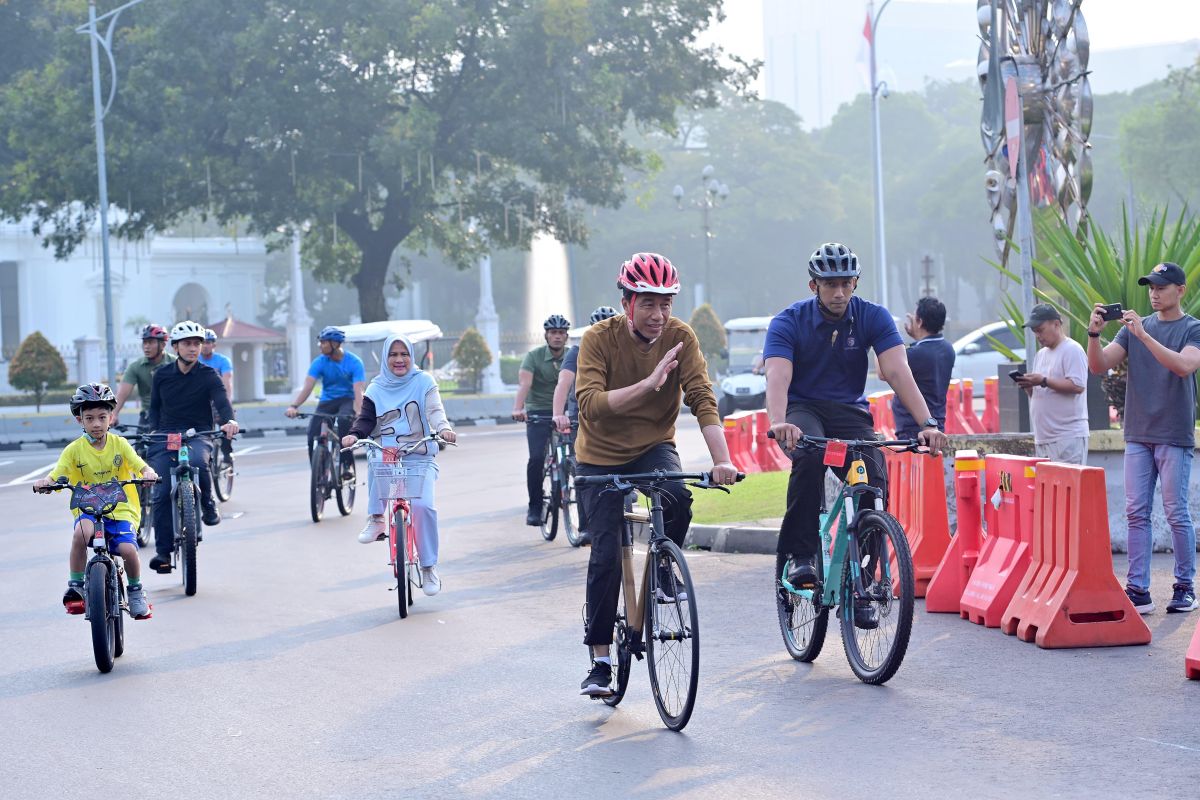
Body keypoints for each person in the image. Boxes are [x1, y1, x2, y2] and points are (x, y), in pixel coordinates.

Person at [574, 253, 738, 697]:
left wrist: (722, 460)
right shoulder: (598, 339)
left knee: (678, 496)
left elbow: (702, 396)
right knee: (606, 554)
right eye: (647, 303)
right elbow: (590, 404)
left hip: (652, 448)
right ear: (626, 303)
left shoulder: (680, 337)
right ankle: (601, 661)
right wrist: (649, 385)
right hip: (599, 456)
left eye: (665, 303)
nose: (658, 314)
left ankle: (664, 567)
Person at [765, 243, 948, 629]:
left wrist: (928, 424)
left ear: (855, 283)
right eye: (830, 284)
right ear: (814, 285)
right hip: (803, 410)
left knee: (874, 478)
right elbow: (778, 375)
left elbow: (897, 371)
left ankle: (863, 582)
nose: (839, 292)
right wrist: (779, 421)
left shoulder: (872, 316)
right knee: (810, 455)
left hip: (849, 413)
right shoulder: (788, 321)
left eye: (846, 283)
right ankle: (801, 555)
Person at [1087, 262, 1200, 614]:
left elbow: (1184, 366)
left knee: (1176, 512)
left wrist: (1144, 337)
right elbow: (1099, 365)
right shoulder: (1134, 329)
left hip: (1173, 434)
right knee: (1136, 512)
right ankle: (1138, 589)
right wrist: (1093, 335)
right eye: (1151, 287)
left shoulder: (1192, 328)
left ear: (1180, 290)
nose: (1154, 293)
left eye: (1161, 287)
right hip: (1137, 433)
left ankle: (1185, 586)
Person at [342, 333, 457, 595]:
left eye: (404, 354)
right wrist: (355, 435)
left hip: (420, 456)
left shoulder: (424, 381)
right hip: (390, 454)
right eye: (393, 354)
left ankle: (428, 567)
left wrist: (444, 429)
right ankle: (376, 519)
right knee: (375, 457)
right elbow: (366, 419)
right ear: (385, 358)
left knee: (423, 507)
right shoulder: (376, 388)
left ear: (411, 356)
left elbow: (434, 411)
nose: (399, 359)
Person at [35, 384, 159, 619]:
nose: (96, 424)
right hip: (88, 507)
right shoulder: (73, 450)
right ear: (79, 420)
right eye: (89, 418)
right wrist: (46, 482)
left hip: (120, 508)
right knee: (80, 534)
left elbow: (139, 464)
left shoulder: (120, 444)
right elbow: (58, 473)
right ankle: (76, 586)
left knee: (128, 550)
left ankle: (135, 592)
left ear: (111, 418)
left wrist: (148, 473)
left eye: (102, 417)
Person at [145, 321, 240, 573]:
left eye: (197, 343)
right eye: (187, 344)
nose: (193, 348)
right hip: (167, 434)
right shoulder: (162, 375)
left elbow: (222, 402)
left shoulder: (209, 375)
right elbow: (154, 408)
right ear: (175, 347)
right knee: (161, 491)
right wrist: (152, 431)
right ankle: (163, 552)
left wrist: (229, 421)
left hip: (199, 432)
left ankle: (207, 503)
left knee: (198, 461)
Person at [552, 306, 619, 544]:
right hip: (582, 416)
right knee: (584, 469)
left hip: (614, 415)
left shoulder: (624, 350)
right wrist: (558, 414)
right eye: (600, 328)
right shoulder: (578, 351)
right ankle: (586, 527)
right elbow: (564, 383)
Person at [513, 314, 571, 526]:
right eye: (553, 332)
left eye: (561, 333)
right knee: (536, 459)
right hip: (539, 411)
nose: (557, 336)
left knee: (579, 457)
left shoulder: (573, 355)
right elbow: (525, 384)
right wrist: (518, 408)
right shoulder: (534, 356)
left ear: (566, 336)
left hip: (565, 412)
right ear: (546, 335)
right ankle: (535, 507)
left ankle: (571, 492)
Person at [285, 326, 366, 478]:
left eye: (324, 343)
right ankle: (317, 471)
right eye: (320, 342)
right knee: (312, 434)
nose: (320, 346)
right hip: (327, 401)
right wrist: (294, 406)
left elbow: (358, 390)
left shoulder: (354, 362)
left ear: (335, 344)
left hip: (347, 400)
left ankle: (346, 465)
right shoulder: (319, 362)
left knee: (345, 423)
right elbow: (308, 387)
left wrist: (360, 412)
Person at [1015, 303, 1089, 464]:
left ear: (1056, 324)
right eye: (1035, 332)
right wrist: (1029, 386)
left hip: (1067, 437)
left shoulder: (1072, 349)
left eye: (1040, 330)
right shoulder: (1040, 355)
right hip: (1043, 438)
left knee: (1068, 480)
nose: (1038, 335)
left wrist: (1043, 380)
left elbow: (1078, 386)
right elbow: (1039, 394)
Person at [891, 296, 956, 440]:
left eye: (915, 317)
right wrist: (917, 337)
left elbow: (883, 372)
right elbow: (925, 353)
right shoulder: (948, 349)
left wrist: (884, 336)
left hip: (914, 429)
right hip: (937, 425)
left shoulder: (916, 354)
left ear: (920, 322)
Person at [112, 324, 174, 429]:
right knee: (140, 439)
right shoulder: (136, 367)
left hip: (173, 416)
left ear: (163, 345)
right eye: (145, 342)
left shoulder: (175, 363)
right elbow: (122, 394)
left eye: (151, 342)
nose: (146, 346)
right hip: (147, 418)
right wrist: (114, 414)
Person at [201, 328, 236, 462]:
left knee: (226, 423)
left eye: (208, 342)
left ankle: (227, 453)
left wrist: (228, 403)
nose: (205, 346)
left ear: (214, 345)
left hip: (218, 399)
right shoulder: (195, 360)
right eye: (202, 342)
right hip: (202, 401)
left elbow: (227, 383)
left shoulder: (223, 361)